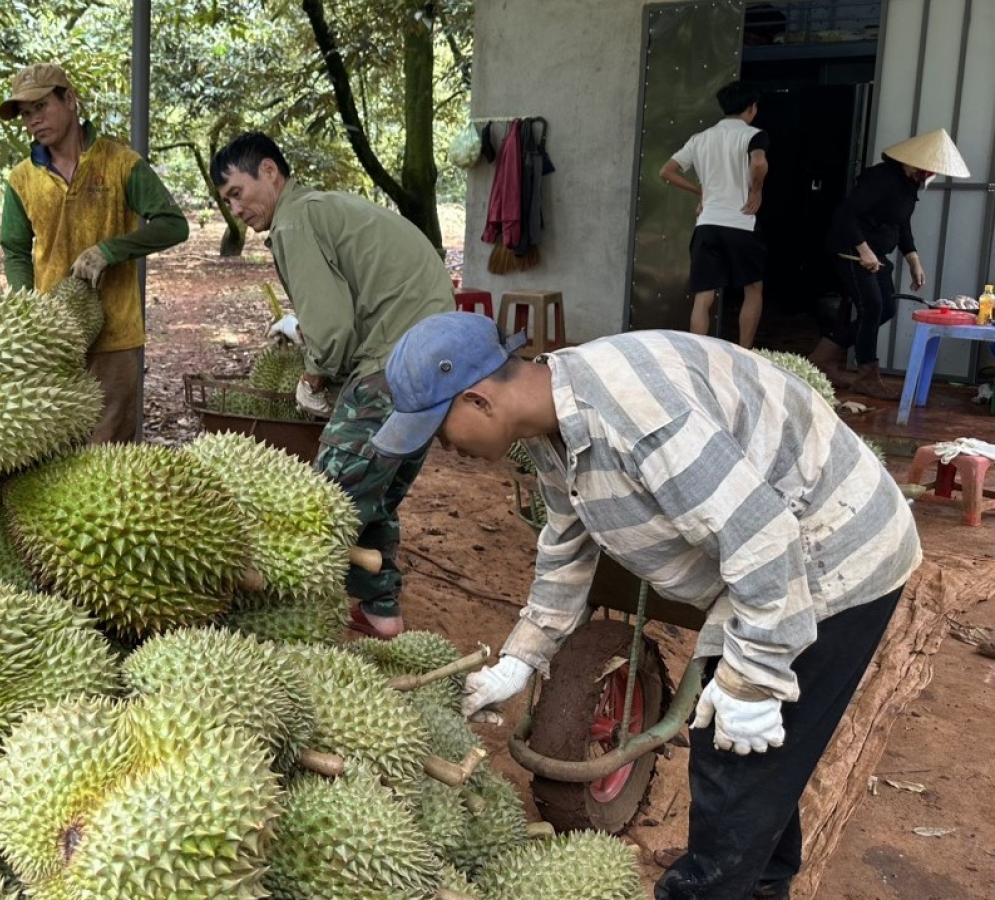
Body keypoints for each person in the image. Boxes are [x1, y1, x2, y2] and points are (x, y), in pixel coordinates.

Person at [372, 313, 921, 900]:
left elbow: (765, 543)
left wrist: (755, 681)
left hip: (835, 556)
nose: (447, 452)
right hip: (767, 565)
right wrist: (523, 657)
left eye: (441, 432)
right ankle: (764, 883)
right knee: (746, 753)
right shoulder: (553, 422)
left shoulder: (641, 420)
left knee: (734, 764)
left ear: (479, 400)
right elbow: (567, 538)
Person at [209, 132, 454, 638]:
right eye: (227, 200)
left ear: (270, 172)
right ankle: (381, 613)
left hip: (392, 362)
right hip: (433, 362)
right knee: (373, 491)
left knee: (324, 501)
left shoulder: (296, 220)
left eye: (237, 191)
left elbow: (334, 330)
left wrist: (313, 372)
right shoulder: (324, 210)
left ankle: (288, 622)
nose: (236, 208)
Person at [0, 63, 190, 443]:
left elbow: (174, 224)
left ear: (69, 100)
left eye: (41, 107)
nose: (34, 121)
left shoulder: (121, 164)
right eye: (26, 114)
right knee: (51, 451)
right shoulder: (21, 179)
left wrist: (110, 250)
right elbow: (15, 250)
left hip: (116, 335)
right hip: (51, 336)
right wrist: (27, 308)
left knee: (106, 456)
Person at [808, 128, 969, 398]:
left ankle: (822, 357)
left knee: (885, 310)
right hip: (850, 247)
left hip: (875, 253)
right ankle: (867, 377)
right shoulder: (881, 178)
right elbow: (845, 214)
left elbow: (901, 224)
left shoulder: (908, 185)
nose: (926, 175)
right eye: (925, 170)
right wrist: (864, 250)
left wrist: (914, 260)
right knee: (871, 307)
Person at [660, 81, 770, 348]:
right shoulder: (754, 135)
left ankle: (698, 354)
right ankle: (745, 353)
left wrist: (700, 191)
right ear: (752, 108)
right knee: (753, 289)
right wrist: (756, 191)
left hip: (707, 225)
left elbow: (667, 171)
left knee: (703, 296)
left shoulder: (700, 138)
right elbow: (758, 162)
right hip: (741, 223)